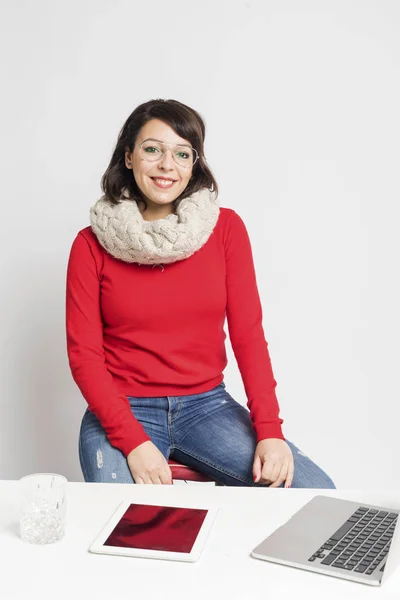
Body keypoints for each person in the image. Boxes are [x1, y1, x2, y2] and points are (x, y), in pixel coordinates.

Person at [66, 98, 335, 488]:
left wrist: (270, 430)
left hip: (206, 407)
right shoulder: (90, 244)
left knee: (316, 492)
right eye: (152, 149)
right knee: (125, 525)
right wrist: (133, 442)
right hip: (122, 409)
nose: (166, 165)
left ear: (194, 164)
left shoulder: (225, 229)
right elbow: (84, 357)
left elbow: (248, 337)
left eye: (182, 153)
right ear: (128, 157)